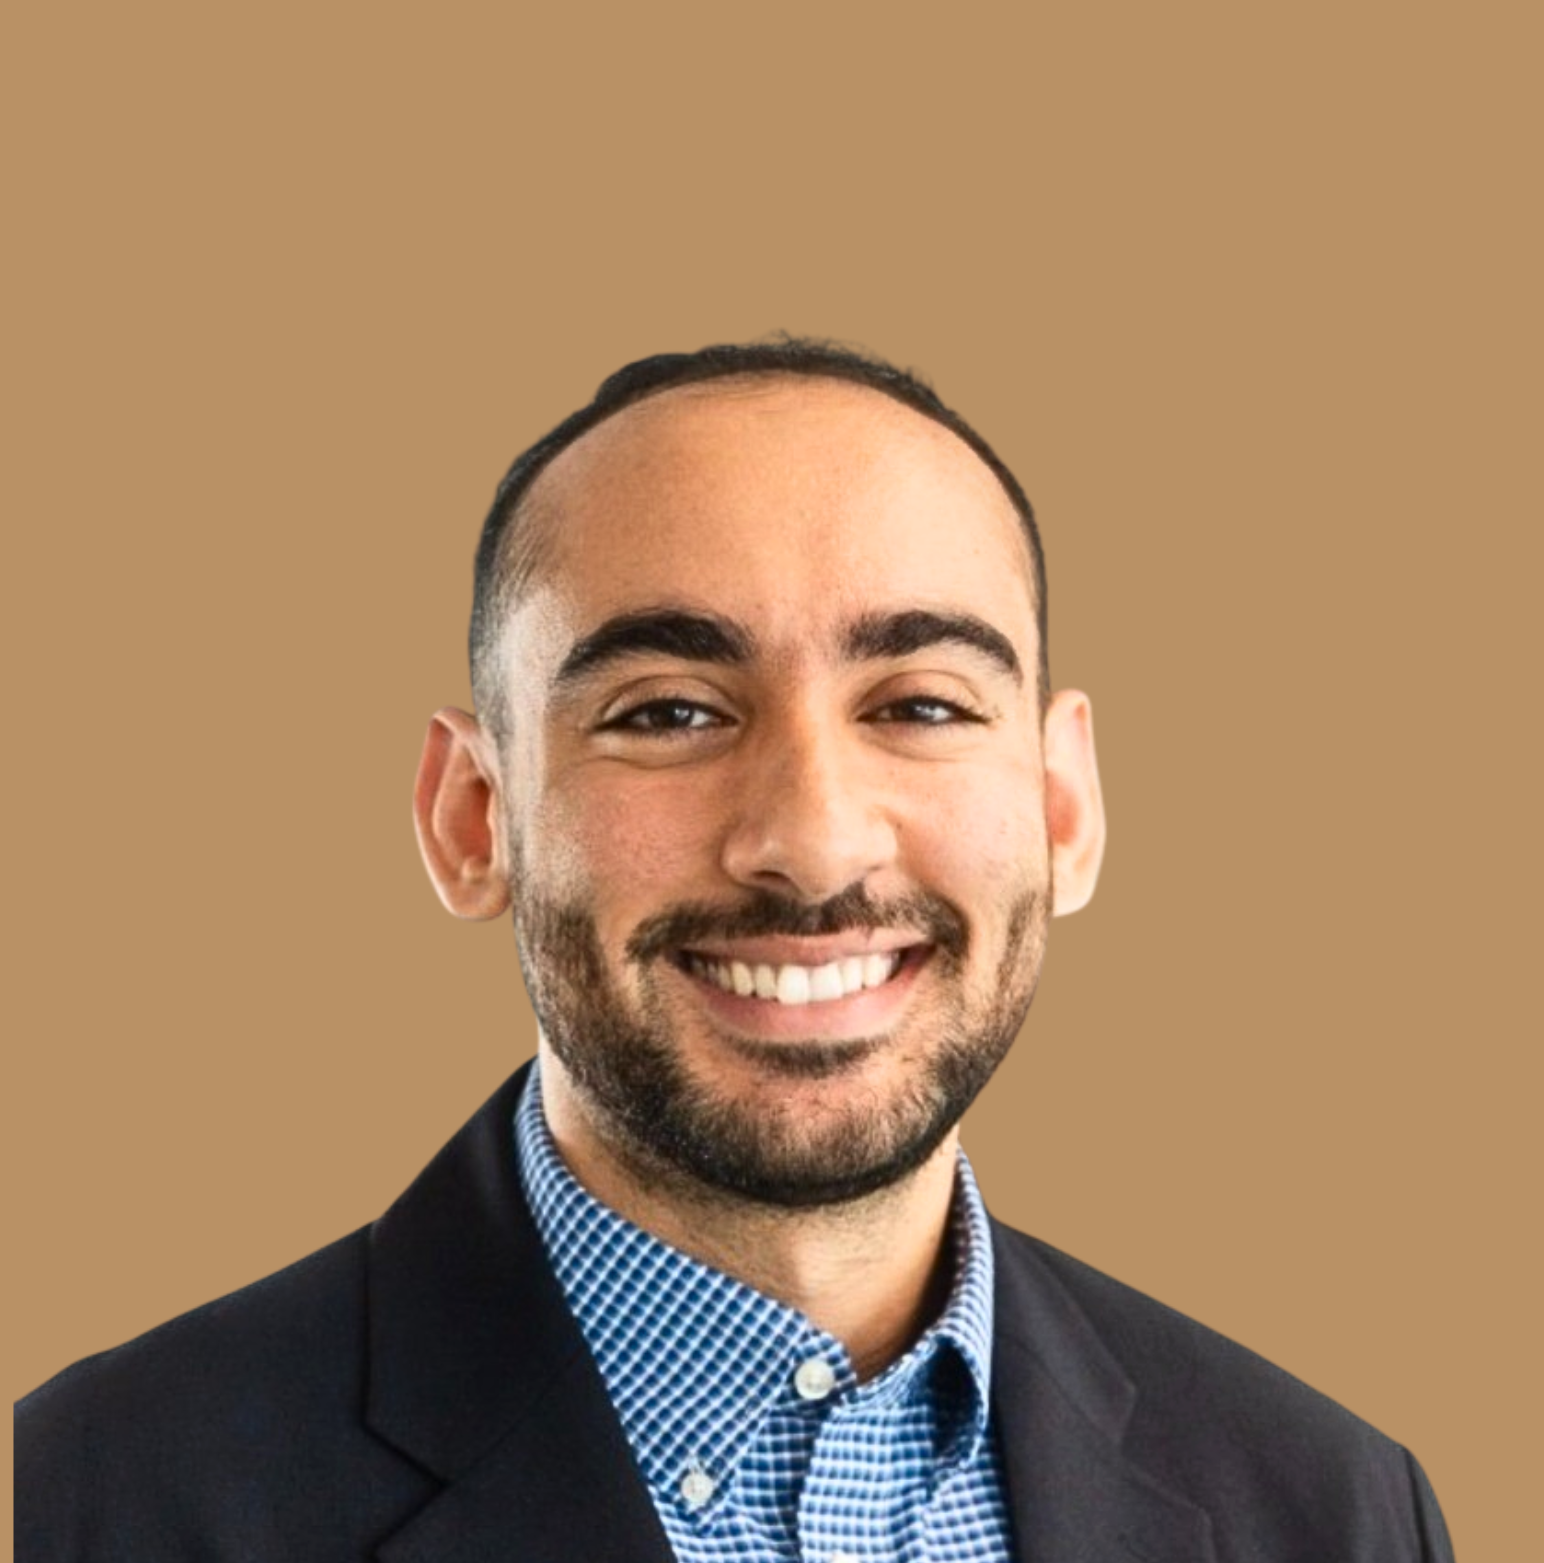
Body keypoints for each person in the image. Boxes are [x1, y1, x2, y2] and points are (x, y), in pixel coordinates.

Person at [16, 338, 1455, 1561]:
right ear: (474, 817)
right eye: (668, 710)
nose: (813, 843)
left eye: (922, 703)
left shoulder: (1330, 1507)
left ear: (1061, 805)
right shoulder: (84, 1497)